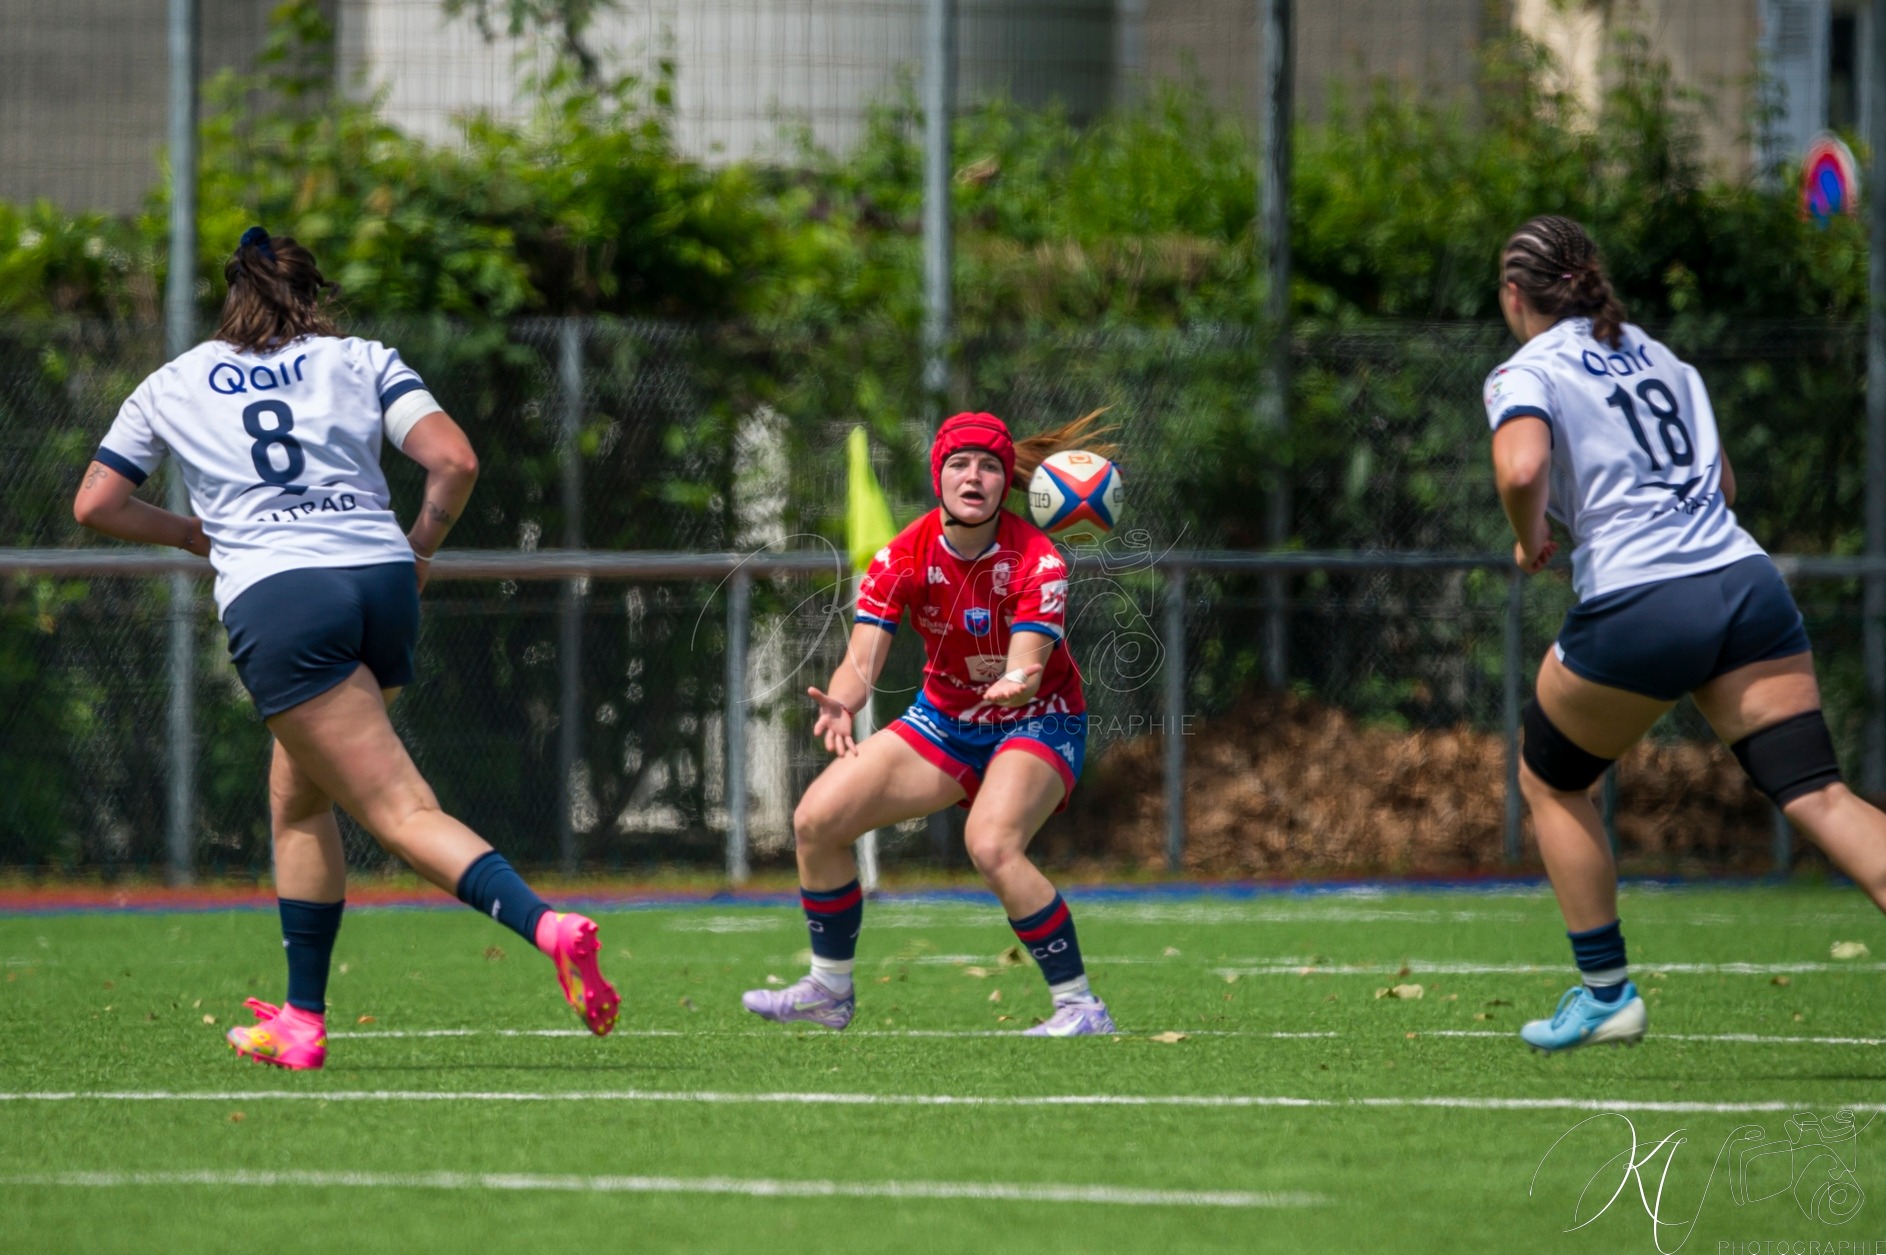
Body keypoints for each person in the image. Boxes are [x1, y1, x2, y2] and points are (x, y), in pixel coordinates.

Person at [72, 227, 620, 1070]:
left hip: (283, 597)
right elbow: (455, 460)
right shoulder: (362, 358)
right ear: (313, 295)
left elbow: (96, 502)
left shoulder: (172, 382)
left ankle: (547, 925)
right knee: (298, 793)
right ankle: (302, 1018)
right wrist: (422, 550)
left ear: (231, 297)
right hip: (382, 584)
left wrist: (195, 535)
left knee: (402, 812)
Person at [1485, 215, 1886, 1054]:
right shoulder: (1664, 357)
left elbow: (1521, 467)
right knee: (1817, 793)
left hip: (1645, 598)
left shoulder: (1528, 368)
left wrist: (1530, 539)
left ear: (1515, 296)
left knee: (1552, 778)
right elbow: (1724, 482)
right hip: (1746, 585)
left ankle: (1605, 994)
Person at [741, 410, 1118, 1036]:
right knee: (815, 821)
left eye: (990, 466)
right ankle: (829, 991)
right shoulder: (902, 554)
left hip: (1038, 721)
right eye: (960, 464)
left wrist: (1016, 678)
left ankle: (1080, 1006)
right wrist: (842, 702)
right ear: (937, 476)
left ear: (1006, 482)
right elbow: (861, 660)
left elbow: (1029, 662)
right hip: (943, 724)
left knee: (992, 844)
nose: (975, 477)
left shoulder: (1040, 560)